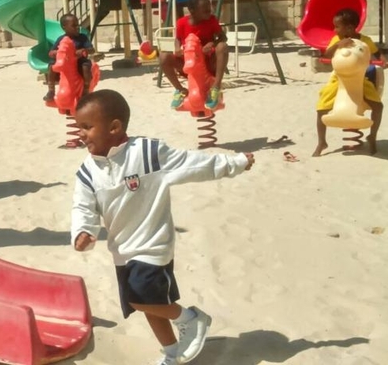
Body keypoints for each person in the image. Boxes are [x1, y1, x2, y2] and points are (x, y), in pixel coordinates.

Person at [70, 89, 255, 365]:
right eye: (79, 128)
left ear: (114, 127)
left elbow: (194, 164)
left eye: (87, 127)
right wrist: (83, 231)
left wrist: (235, 163)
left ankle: (191, 318)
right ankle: (171, 352)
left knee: (139, 300)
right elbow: (83, 207)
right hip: (122, 250)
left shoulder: (147, 152)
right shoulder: (87, 172)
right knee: (151, 308)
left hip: (153, 244)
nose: (81, 134)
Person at [313, 8, 388, 157]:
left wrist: (386, 62)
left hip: (360, 79)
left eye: (337, 26)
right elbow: (327, 54)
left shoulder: (365, 41)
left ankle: (372, 136)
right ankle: (321, 142)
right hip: (338, 79)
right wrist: (339, 45)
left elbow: (376, 53)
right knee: (321, 108)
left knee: (378, 106)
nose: (334, 29)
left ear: (350, 28)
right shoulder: (337, 40)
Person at [160, 0, 228, 110]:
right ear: (192, 11)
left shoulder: (211, 20)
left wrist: (213, 43)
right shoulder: (181, 23)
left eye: (209, 7)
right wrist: (177, 49)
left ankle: (216, 87)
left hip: (207, 61)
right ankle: (180, 89)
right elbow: (178, 39)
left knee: (222, 46)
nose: (209, 10)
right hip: (189, 62)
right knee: (163, 57)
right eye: (205, 9)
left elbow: (223, 37)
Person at [44, 13, 95, 101]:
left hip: (79, 61)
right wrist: (55, 52)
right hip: (66, 62)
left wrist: (84, 50)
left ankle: (86, 89)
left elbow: (92, 49)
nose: (77, 27)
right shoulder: (61, 39)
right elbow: (51, 52)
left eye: (77, 24)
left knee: (85, 66)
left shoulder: (82, 37)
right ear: (64, 27)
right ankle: (51, 90)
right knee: (51, 64)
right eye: (73, 25)